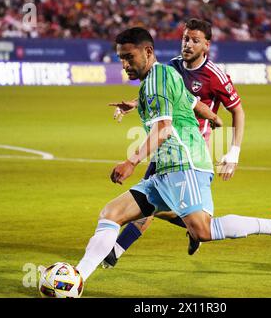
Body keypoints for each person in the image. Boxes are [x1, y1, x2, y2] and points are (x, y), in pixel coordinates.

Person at [41, 27, 271, 288]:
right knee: (111, 214)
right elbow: (191, 102)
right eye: (121, 58)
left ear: (148, 51)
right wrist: (214, 118)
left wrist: (131, 161)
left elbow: (163, 128)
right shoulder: (160, 76)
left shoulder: (158, 78)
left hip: (185, 164)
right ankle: (78, 278)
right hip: (166, 169)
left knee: (203, 231)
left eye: (129, 57)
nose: (124, 64)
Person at [103, 19, 246, 268]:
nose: (187, 44)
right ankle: (190, 228)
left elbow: (238, 112)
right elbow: (160, 96)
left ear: (206, 45)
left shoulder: (215, 75)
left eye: (194, 40)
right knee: (153, 200)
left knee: (148, 199)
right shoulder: (171, 67)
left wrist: (233, 152)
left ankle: (114, 250)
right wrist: (134, 104)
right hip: (164, 142)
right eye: (185, 39)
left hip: (190, 149)